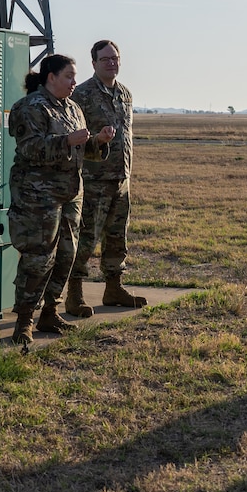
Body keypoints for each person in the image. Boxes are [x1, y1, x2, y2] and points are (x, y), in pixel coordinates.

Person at [6, 53, 113, 348]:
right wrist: (67, 141)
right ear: (50, 77)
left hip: (69, 194)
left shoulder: (73, 108)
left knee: (67, 255)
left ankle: (50, 311)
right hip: (38, 197)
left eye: (74, 77)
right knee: (39, 259)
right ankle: (24, 320)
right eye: (68, 76)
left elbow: (80, 149)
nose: (73, 82)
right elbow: (30, 148)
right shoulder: (31, 108)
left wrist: (97, 142)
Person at [68, 39, 146, 316]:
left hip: (121, 178)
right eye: (106, 59)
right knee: (86, 238)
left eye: (115, 58)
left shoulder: (125, 94)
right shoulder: (83, 94)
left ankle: (114, 287)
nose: (112, 63)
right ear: (94, 63)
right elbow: (75, 135)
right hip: (93, 179)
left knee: (116, 237)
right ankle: (74, 293)